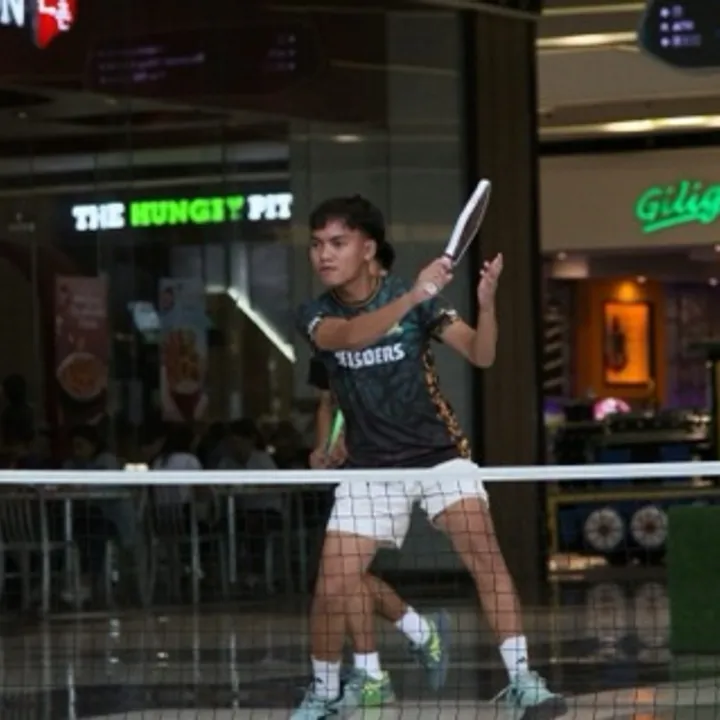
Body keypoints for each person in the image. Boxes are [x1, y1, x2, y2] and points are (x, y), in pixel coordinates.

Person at [293, 195, 566, 720]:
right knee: (332, 586)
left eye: (338, 243)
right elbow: (350, 336)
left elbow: (481, 353)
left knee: (485, 556)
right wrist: (416, 293)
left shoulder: (417, 303)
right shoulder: (316, 315)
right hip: (371, 470)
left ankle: (523, 681)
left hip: (439, 457)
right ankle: (324, 694)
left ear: (368, 249)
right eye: (317, 244)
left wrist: (487, 304)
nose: (324, 254)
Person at [308, 236, 451, 706]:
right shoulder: (328, 324)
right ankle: (410, 639)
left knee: (345, 575)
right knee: (344, 576)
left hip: (394, 464)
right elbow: (328, 400)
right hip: (352, 472)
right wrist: (323, 446)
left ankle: (381, 665)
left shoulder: (405, 326)